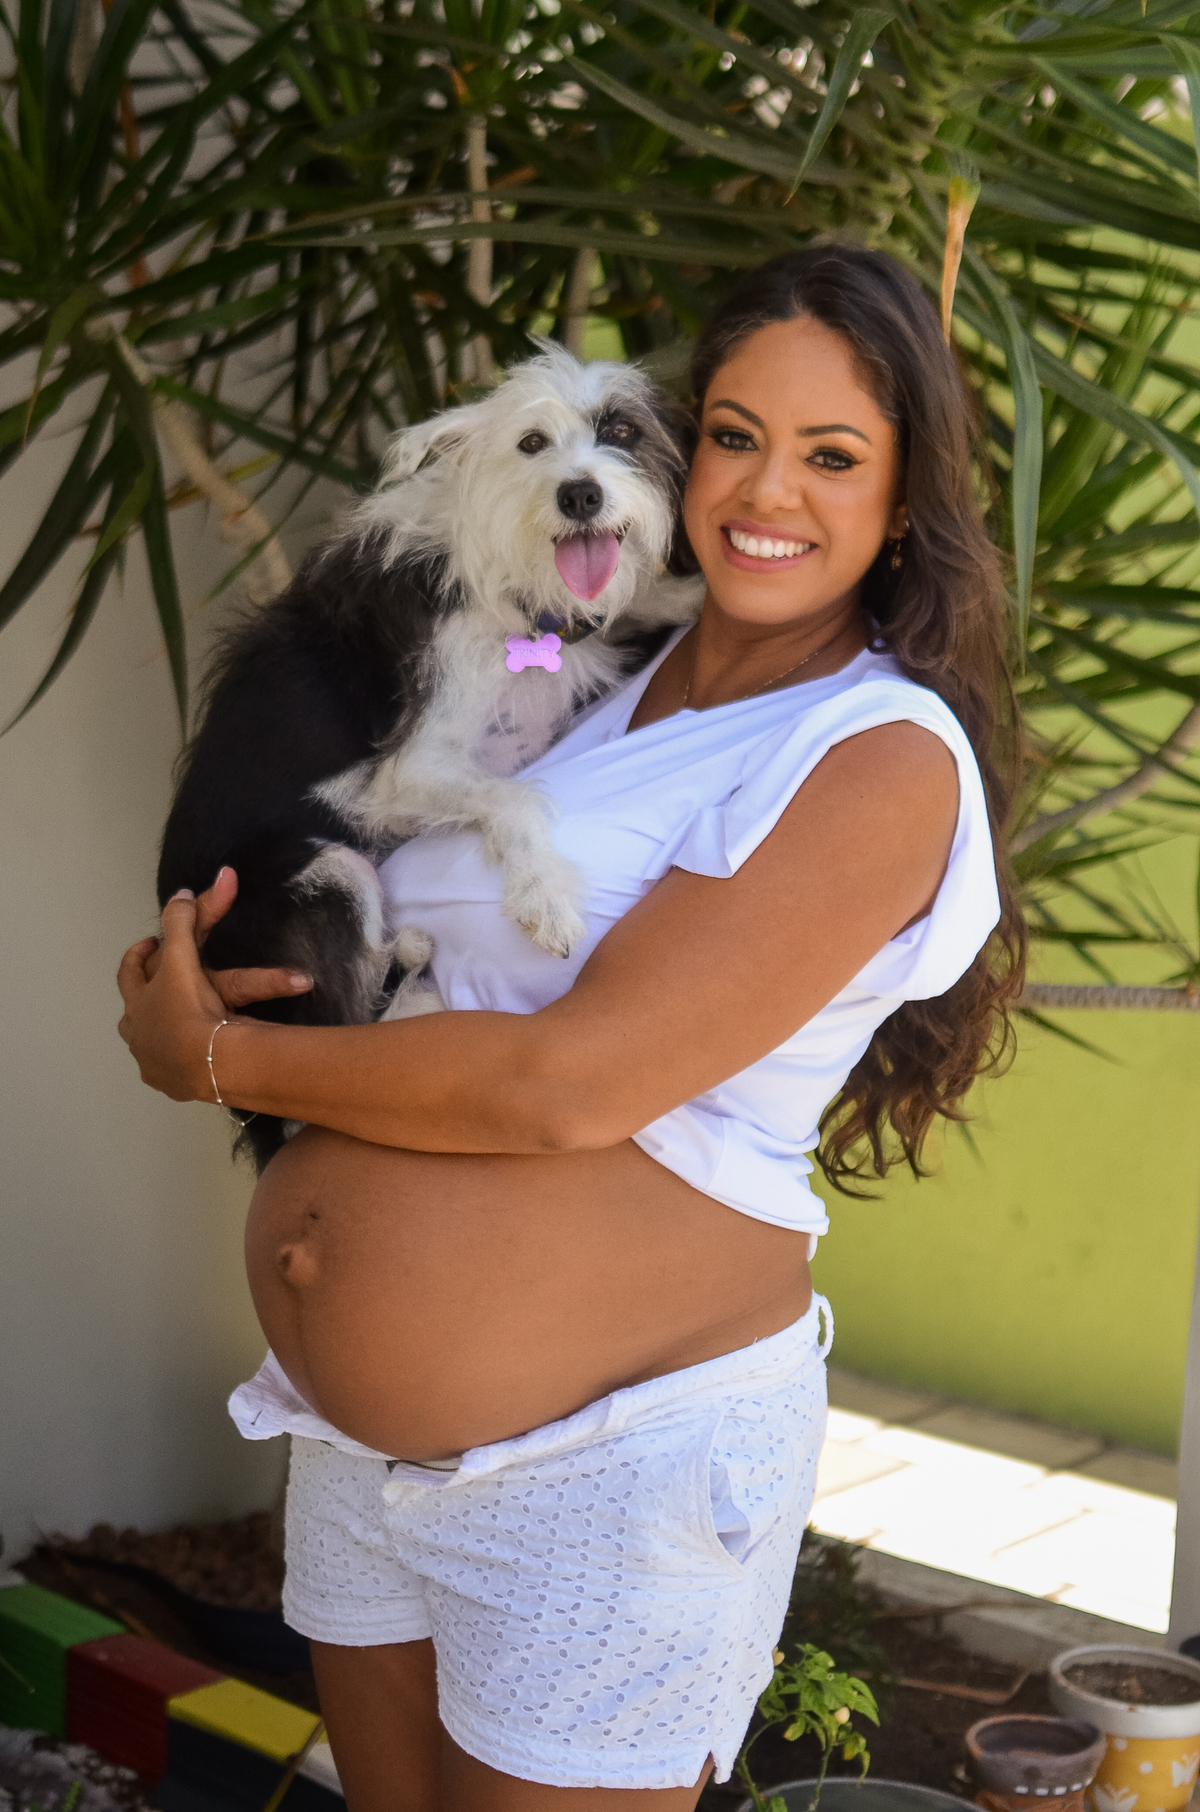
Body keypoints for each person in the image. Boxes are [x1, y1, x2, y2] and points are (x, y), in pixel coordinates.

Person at [118, 243, 1025, 1811]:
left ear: (905, 501)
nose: (767, 491)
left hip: (604, 1468)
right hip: (363, 1453)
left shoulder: (873, 749)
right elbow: (388, 823)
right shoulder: (591, 667)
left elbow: (568, 1084)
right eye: (734, 435)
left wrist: (214, 1060)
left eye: (832, 456)